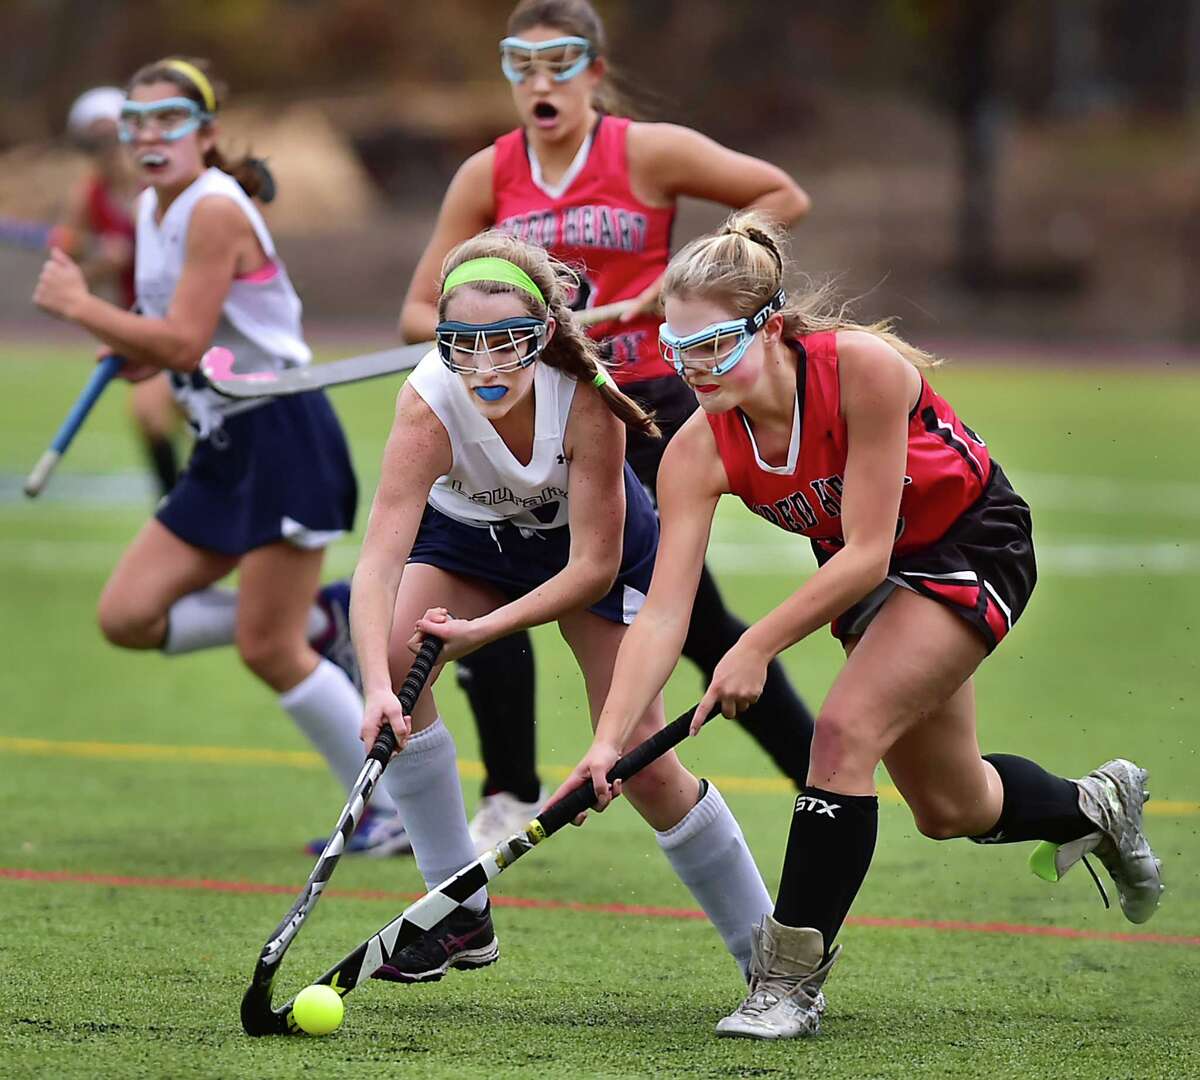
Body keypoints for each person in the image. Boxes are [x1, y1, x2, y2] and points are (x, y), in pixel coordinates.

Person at [557, 211, 1164, 1039]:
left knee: (841, 736)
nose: (694, 368)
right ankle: (1094, 807)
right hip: (866, 574)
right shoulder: (697, 450)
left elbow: (871, 550)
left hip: (968, 544)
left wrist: (755, 644)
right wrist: (608, 742)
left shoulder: (862, 372)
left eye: (715, 345)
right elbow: (665, 610)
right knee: (950, 806)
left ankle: (786, 985)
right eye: (678, 349)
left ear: (771, 328)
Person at [400, 0, 816, 852]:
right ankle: (508, 791)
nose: (541, 81)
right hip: (542, 417)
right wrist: (507, 335)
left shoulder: (644, 151)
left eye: (560, 61)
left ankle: (820, 781)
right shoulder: (488, 174)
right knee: (487, 588)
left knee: (691, 616)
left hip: (648, 409)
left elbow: (783, 196)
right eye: (522, 63)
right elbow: (417, 312)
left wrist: (684, 283)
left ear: (594, 69)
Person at [352, 230, 772, 983]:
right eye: (462, 346)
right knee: (390, 654)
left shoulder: (585, 398)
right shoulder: (426, 404)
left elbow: (591, 569)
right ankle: (456, 913)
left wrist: (482, 631)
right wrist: (379, 689)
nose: (484, 369)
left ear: (544, 333)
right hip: (472, 536)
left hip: (588, 550)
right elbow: (378, 562)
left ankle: (768, 957)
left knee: (643, 759)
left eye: (505, 343)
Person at [31, 57, 409, 856]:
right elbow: (179, 342)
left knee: (269, 650)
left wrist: (83, 307)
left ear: (205, 133)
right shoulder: (152, 205)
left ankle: (388, 811)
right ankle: (323, 618)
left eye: (169, 120)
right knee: (127, 616)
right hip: (223, 439)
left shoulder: (213, 209)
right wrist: (138, 353)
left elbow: (183, 338)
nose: (150, 136)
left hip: (282, 437)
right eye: (136, 122)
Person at [60, 85, 183, 497]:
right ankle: (174, 506)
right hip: (144, 327)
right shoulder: (88, 197)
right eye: (96, 142)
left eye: (113, 137)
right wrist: (104, 263)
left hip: (192, 318)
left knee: (206, 422)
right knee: (149, 416)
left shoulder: (162, 184)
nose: (109, 152)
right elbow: (69, 272)